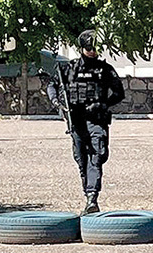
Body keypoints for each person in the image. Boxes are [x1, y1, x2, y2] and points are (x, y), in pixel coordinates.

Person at [46, 30, 126, 215]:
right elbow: (52, 85)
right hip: (76, 119)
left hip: (96, 119)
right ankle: (87, 193)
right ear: (82, 48)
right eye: (89, 48)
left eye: (95, 48)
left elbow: (118, 93)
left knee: (97, 156)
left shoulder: (104, 69)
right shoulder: (69, 68)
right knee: (81, 159)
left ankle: (92, 197)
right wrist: (58, 103)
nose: (92, 51)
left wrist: (102, 104)